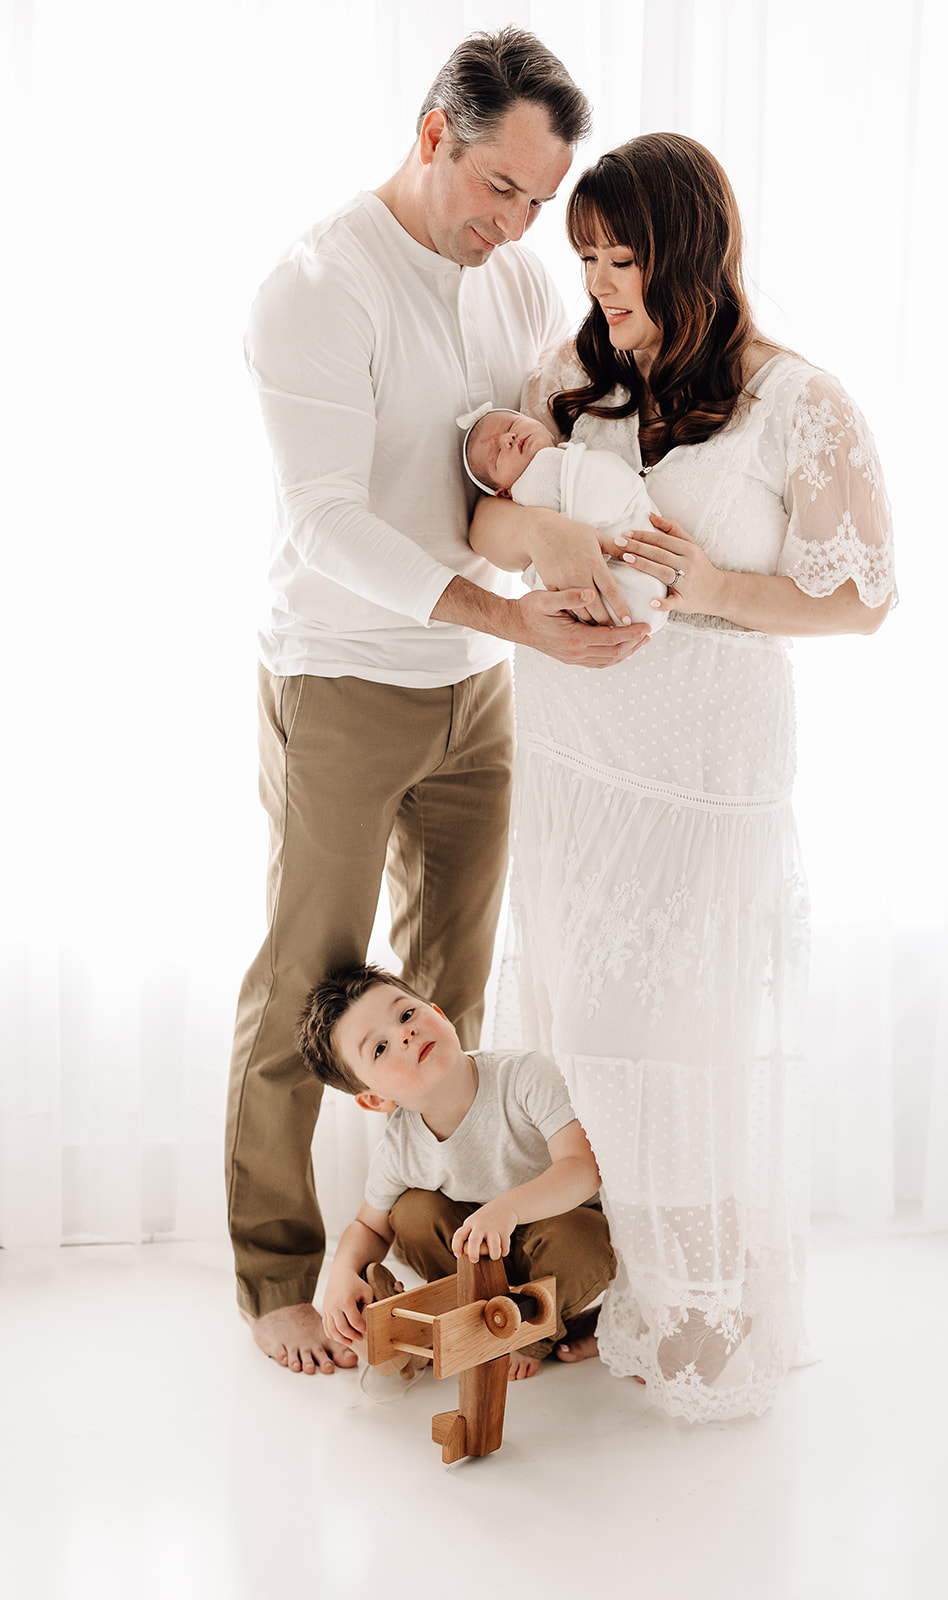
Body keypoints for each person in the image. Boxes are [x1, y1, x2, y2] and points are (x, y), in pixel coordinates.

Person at [227, 29, 649, 1378]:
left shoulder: (512, 278)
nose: (516, 224)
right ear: (430, 135)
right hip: (342, 677)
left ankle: (439, 1256)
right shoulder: (317, 287)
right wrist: (505, 613)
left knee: (446, 1004)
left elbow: (518, 460)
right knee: (309, 984)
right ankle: (279, 1274)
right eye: (498, 189)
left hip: (474, 690)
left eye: (538, 199)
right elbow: (326, 526)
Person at [470, 132, 896, 1421]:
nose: (600, 282)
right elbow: (478, 517)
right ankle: (592, 1287)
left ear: (693, 252)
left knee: (669, 1033)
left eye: (623, 257)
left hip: (699, 771)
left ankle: (699, 1306)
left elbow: (859, 599)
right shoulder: (570, 374)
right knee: (576, 1028)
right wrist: (542, 529)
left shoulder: (796, 399)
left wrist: (707, 587)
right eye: (585, 255)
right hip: (571, 756)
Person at [297, 963, 615, 1380]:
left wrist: (508, 1209)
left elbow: (582, 1168)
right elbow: (369, 1226)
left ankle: (529, 1333)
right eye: (380, 1048)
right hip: (481, 1253)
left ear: (439, 1014)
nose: (405, 1035)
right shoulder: (400, 1144)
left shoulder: (523, 1076)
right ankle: (474, 1320)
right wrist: (341, 1275)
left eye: (407, 1014)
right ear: (375, 1100)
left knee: (585, 1240)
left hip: (552, 1235)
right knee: (410, 1211)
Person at [459, 404, 668, 627]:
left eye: (512, 425)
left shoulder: (571, 456)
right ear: (504, 493)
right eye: (497, 453)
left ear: (548, 431)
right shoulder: (536, 479)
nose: (508, 439)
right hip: (631, 593)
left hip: (645, 582)